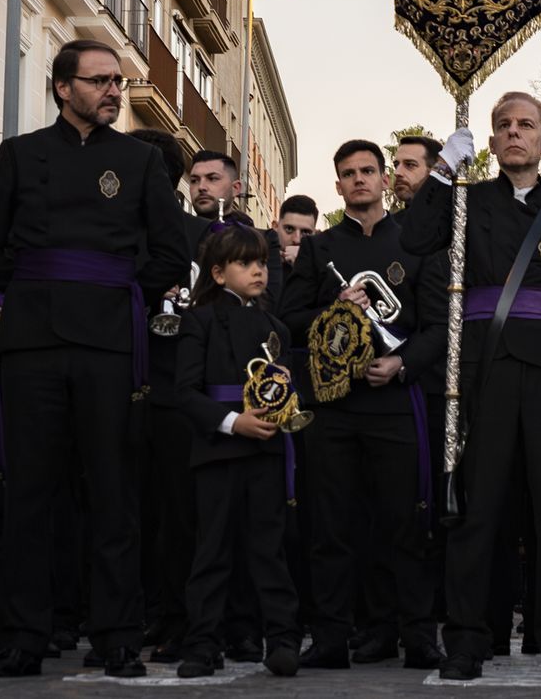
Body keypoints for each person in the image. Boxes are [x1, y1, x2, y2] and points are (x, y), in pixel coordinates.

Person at [0, 39, 189, 678]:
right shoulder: (20, 153)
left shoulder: (140, 162)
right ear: (64, 88)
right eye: (100, 81)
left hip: (110, 343)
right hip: (32, 343)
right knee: (29, 492)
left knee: (113, 491)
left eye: (117, 81)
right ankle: (25, 637)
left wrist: (117, 295)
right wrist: (42, 286)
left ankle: (117, 636)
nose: (114, 91)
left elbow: (170, 256)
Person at [400, 91, 541, 683]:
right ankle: (467, 640)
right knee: (478, 511)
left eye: (526, 125)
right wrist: (442, 171)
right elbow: (414, 242)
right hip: (483, 375)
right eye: (502, 126)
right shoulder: (465, 202)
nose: (514, 133)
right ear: (489, 142)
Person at [280, 140, 443, 670]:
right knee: (332, 525)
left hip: (395, 401)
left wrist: (403, 364)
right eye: (348, 174)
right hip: (334, 405)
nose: (359, 180)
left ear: (382, 178)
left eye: (368, 170)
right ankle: (334, 637)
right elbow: (288, 319)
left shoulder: (415, 242)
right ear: (338, 186)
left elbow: (439, 325)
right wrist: (333, 306)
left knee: (404, 522)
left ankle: (416, 634)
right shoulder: (320, 248)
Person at [175, 224, 302, 679]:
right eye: (245, 264)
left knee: (269, 548)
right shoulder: (200, 319)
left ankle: (283, 639)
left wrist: (275, 416)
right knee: (213, 549)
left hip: (266, 450)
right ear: (217, 271)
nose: (257, 272)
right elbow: (185, 392)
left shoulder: (276, 327)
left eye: (262, 264)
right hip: (218, 451)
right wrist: (232, 423)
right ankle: (203, 643)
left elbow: (281, 385)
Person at [129, 127, 214, 663]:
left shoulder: (202, 238)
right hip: (122, 389)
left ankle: (179, 618)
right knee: (127, 512)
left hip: (175, 393)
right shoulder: (110, 231)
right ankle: (135, 615)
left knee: (175, 515)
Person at [187, 150, 285, 300]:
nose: (201, 187)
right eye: (194, 180)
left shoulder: (265, 239)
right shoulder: (177, 233)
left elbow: (269, 299)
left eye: (212, 178)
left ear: (236, 188)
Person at [392, 136, 443, 208]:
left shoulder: (458, 216)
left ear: (435, 171)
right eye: (396, 165)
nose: (397, 172)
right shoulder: (393, 219)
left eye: (409, 165)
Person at [277, 194, 320, 267]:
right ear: (275, 227)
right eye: (289, 229)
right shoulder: (255, 259)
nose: (297, 240)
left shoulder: (324, 267)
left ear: (314, 234)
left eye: (305, 232)